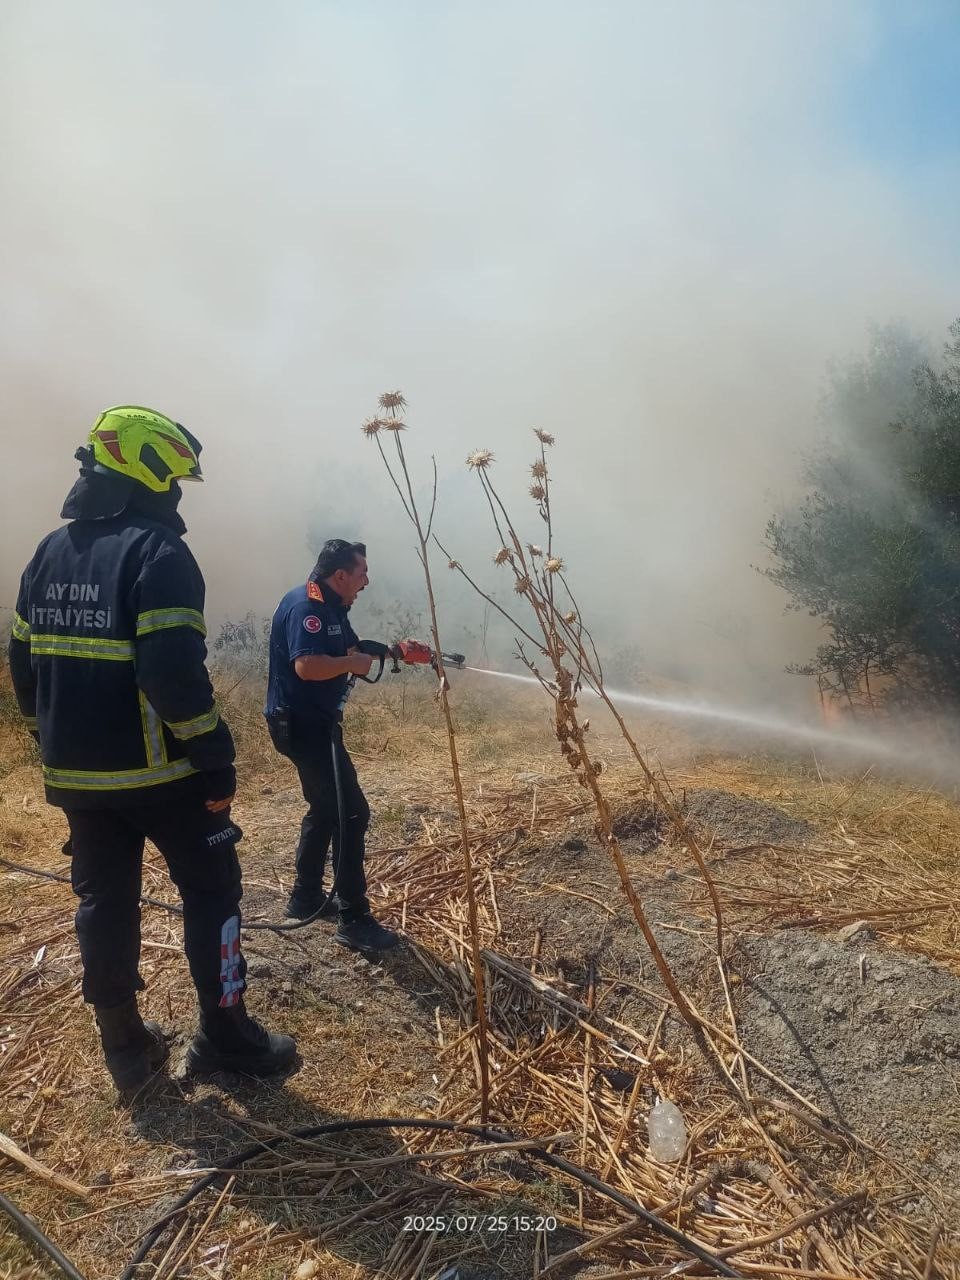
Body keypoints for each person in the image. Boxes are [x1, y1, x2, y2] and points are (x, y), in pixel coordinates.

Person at [7, 406, 296, 1097]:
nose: (177, 496)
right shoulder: (159, 554)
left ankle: (126, 1045)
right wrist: (215, 752)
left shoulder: (49, 550)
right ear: (146, 472)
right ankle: (225, 1036)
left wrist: (51, 739)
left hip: (76, 776)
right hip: (163, 775)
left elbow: (22, 664)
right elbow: (170, 674)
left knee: (104, 900)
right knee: (213, 889)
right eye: (174, 481)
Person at [265, 539, 401, 953]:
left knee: (326, 806)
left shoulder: (333, 605)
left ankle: (304, 897)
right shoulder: (307, 608)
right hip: (303, 727)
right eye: (361, 573)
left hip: (316, 724)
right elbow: (307, 666)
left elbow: (348, 648)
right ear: (339, 575)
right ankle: (353, 917)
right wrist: (349, 664)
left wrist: (391, 652)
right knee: (351, 811)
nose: (366, 581)